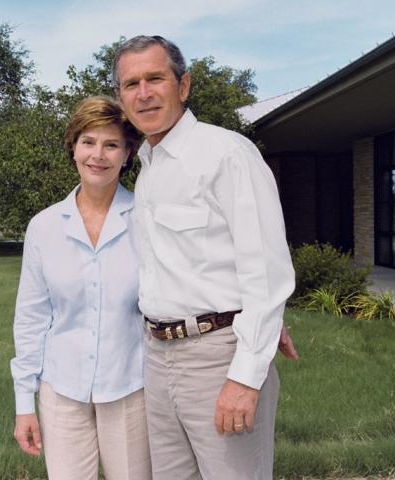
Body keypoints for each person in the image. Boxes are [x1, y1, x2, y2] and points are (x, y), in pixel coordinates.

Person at [113, 35, 297, 479]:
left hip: (217, 358)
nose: (144, 92)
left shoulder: (227, 154)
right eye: (130, 83)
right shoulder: (149, 167)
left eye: (155, 78)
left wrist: (245, 375)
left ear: (184, 85)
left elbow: (267, 270)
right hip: (157, 358)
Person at [10, 96, 152, 480]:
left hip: (131, 388)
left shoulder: (147, 219)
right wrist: (25, 401)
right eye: (89, 142)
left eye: (111, 145)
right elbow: (31, 317)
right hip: (61, 390)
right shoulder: (44, 226)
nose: (98, 155)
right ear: (73, 147)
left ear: (127, 154)